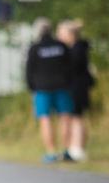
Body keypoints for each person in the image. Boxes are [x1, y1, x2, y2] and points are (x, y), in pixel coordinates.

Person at [25, 18, 73, 163]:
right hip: (62, 87)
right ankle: (66, 151)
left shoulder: (35, 48)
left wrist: (32, 88)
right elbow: (70, 66)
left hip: (42, 89)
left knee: (45, 119)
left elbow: (29, 71)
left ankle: (51, 152)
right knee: (65, 117)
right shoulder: (61, 46)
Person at [58, 20, 94, 162]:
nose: (59, 37)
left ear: (70, 34)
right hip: (76, 87)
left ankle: (77, 149)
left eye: (61, 34)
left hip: (78, 88)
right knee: (75, 118)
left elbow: (74, 69)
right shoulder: (75, 48)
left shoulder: (78, 49)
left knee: (76, 118)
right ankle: (76, 147)